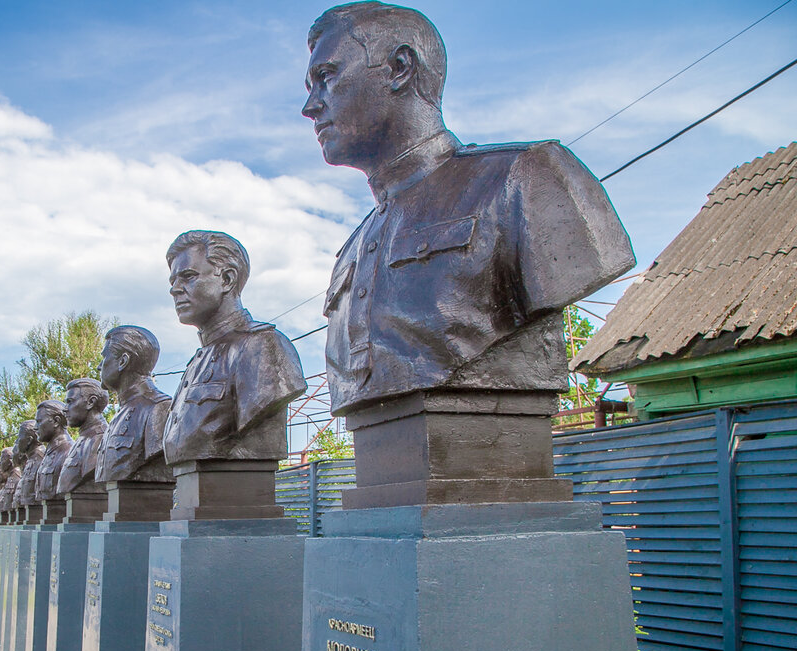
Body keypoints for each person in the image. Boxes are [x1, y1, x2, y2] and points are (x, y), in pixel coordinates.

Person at [302, 2, 634, 417]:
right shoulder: (350, 251)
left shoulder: (527, 176)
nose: (311, 106)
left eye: (326, 77)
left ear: (399, 68)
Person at [161, 230, 306, 464]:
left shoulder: (263, 346)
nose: (174, 289)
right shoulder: (196, 363)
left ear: (227, 279)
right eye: (173, 281)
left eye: (188, 276)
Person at [95, 325, 172, 484]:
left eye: (104, 358)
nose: (99, 366)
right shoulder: (120, 414)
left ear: (123, 361)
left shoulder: (158, 408)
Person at [57, 377, 109, 495]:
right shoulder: (82, 440)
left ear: (90, 402)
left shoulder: (100, 439)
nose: (65, 409)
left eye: (70, 402)